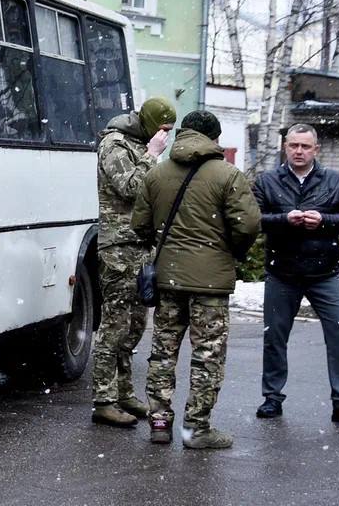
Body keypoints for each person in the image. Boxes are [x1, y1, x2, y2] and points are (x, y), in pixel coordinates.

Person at [131, 110, 260, 448]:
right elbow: (247, 225)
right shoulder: (228, 175)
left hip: (168, 280)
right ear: (215, 138)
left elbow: (139, 225)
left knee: (162, 353)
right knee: (207, 356)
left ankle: (159, 423)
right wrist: (228, 251)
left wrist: (166, 245)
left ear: (183, 133)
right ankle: (196, 430)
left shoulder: (157, 174)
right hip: (211, 285)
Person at [252, 123, 339, 427]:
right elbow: (251, 218)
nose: (299, 151)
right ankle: (272, 398)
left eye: (305, 146)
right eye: (293, 146)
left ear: (316, 149)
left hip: (324, 273)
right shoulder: (267, 181)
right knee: (275, 337)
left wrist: (325, 221)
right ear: (285, 147)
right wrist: (283, 219)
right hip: (282, 273)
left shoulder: (334, 181)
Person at [90, 96, 176, 428]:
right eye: (162, 130)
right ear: (150, 124)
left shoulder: (139, 143)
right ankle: (103, 400)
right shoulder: (114, 144)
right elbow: (131, 188)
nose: (165, 137)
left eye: (170, 131)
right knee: (113, 325)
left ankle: (124, 393)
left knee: (135, 324)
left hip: (142, 246)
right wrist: (152, 155)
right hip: (118, 248)